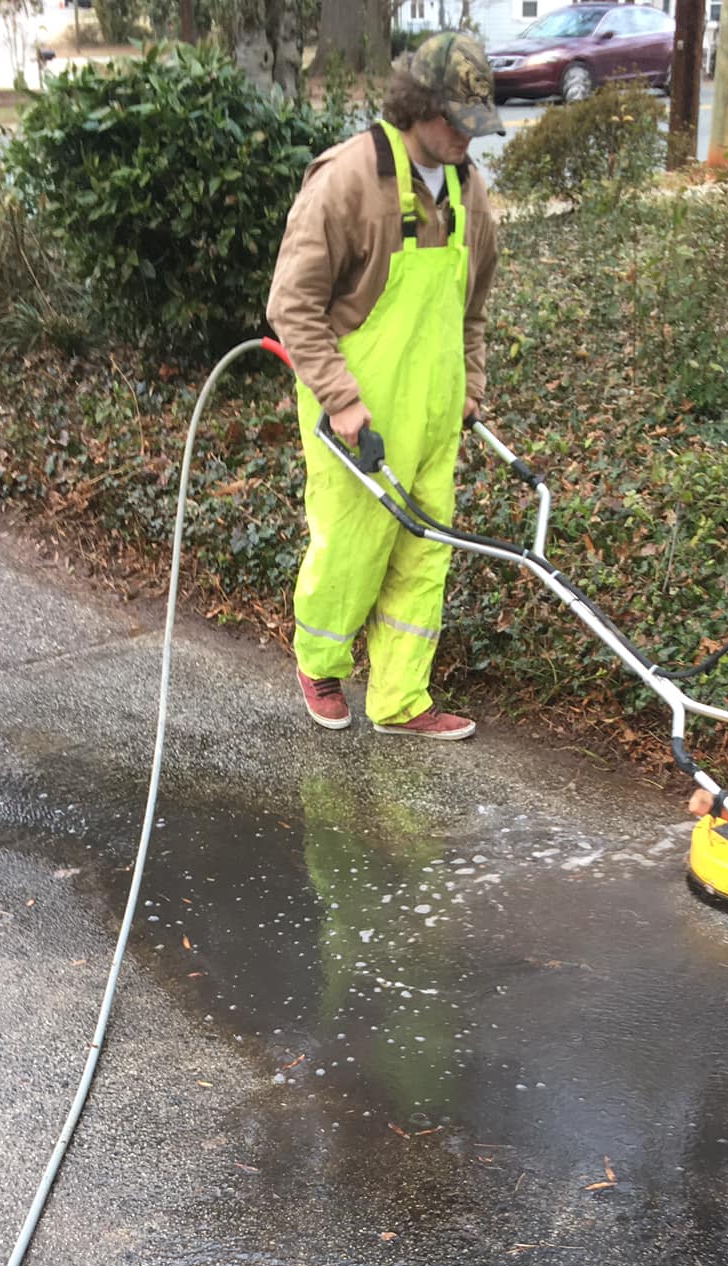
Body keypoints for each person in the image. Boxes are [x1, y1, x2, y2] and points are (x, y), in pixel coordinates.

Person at [266, 32, 503, 741]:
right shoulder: (348, 180)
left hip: (434, 413)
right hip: (358, 414)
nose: (467, 137)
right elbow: (292, 304)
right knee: (353, 547)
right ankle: (321, 664)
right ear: (418, 106)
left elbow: (472, 307)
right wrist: (340, 399)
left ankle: (400, 698)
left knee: (425, 552)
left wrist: (472, 387)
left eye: (474, 124)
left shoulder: (467, 189)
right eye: (455, 122)